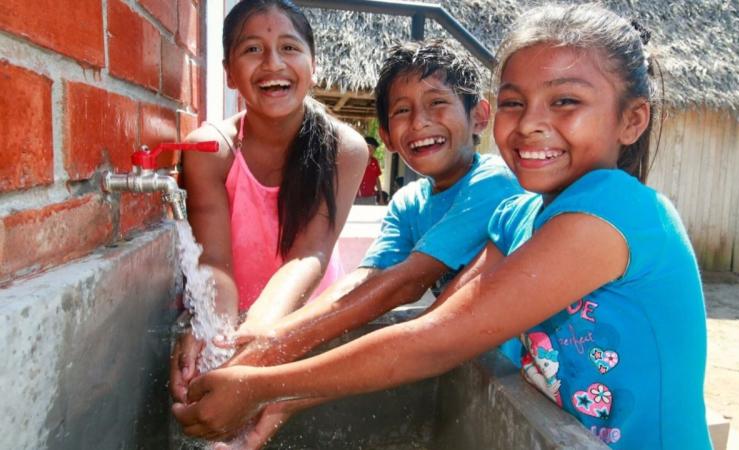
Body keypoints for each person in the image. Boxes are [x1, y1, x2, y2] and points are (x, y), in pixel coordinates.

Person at [177, 5, 713, 447]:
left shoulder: (615, 210)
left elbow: (435, 341)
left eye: (565, 101)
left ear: (631, 119)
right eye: (515, 102)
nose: (530, 123)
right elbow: (437, 319)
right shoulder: (517, 216)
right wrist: (282, 395)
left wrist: (263, 382)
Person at [174, 38, 523, 447]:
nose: (419, 122)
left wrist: (266, 358)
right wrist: (263, 342)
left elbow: (403, 285)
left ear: (479, 116)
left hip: (510, 374)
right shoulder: (410, 202)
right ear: (387, 136)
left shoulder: (493, 183)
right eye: (402, 111)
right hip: (460, 360)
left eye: (437, 103)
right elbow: (365, 282)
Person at [169, 0, 367, 413]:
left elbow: (310, 253)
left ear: (313, 65)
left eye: (289, 48)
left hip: (306, 321)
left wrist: (260, 331)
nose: (273, 63)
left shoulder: (344, 149)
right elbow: (215, 263)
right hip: (231, 311)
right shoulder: (210, 150)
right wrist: (216, 332)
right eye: (253, 49)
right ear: (228, 73)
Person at [355, 136, 383, 204]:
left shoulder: (375, 162)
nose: (372, 149)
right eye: (370, 146)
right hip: (356, 197)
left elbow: (377, 179)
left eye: (374, 148)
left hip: (371, 197)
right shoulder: (356, 160)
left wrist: (381, 196)